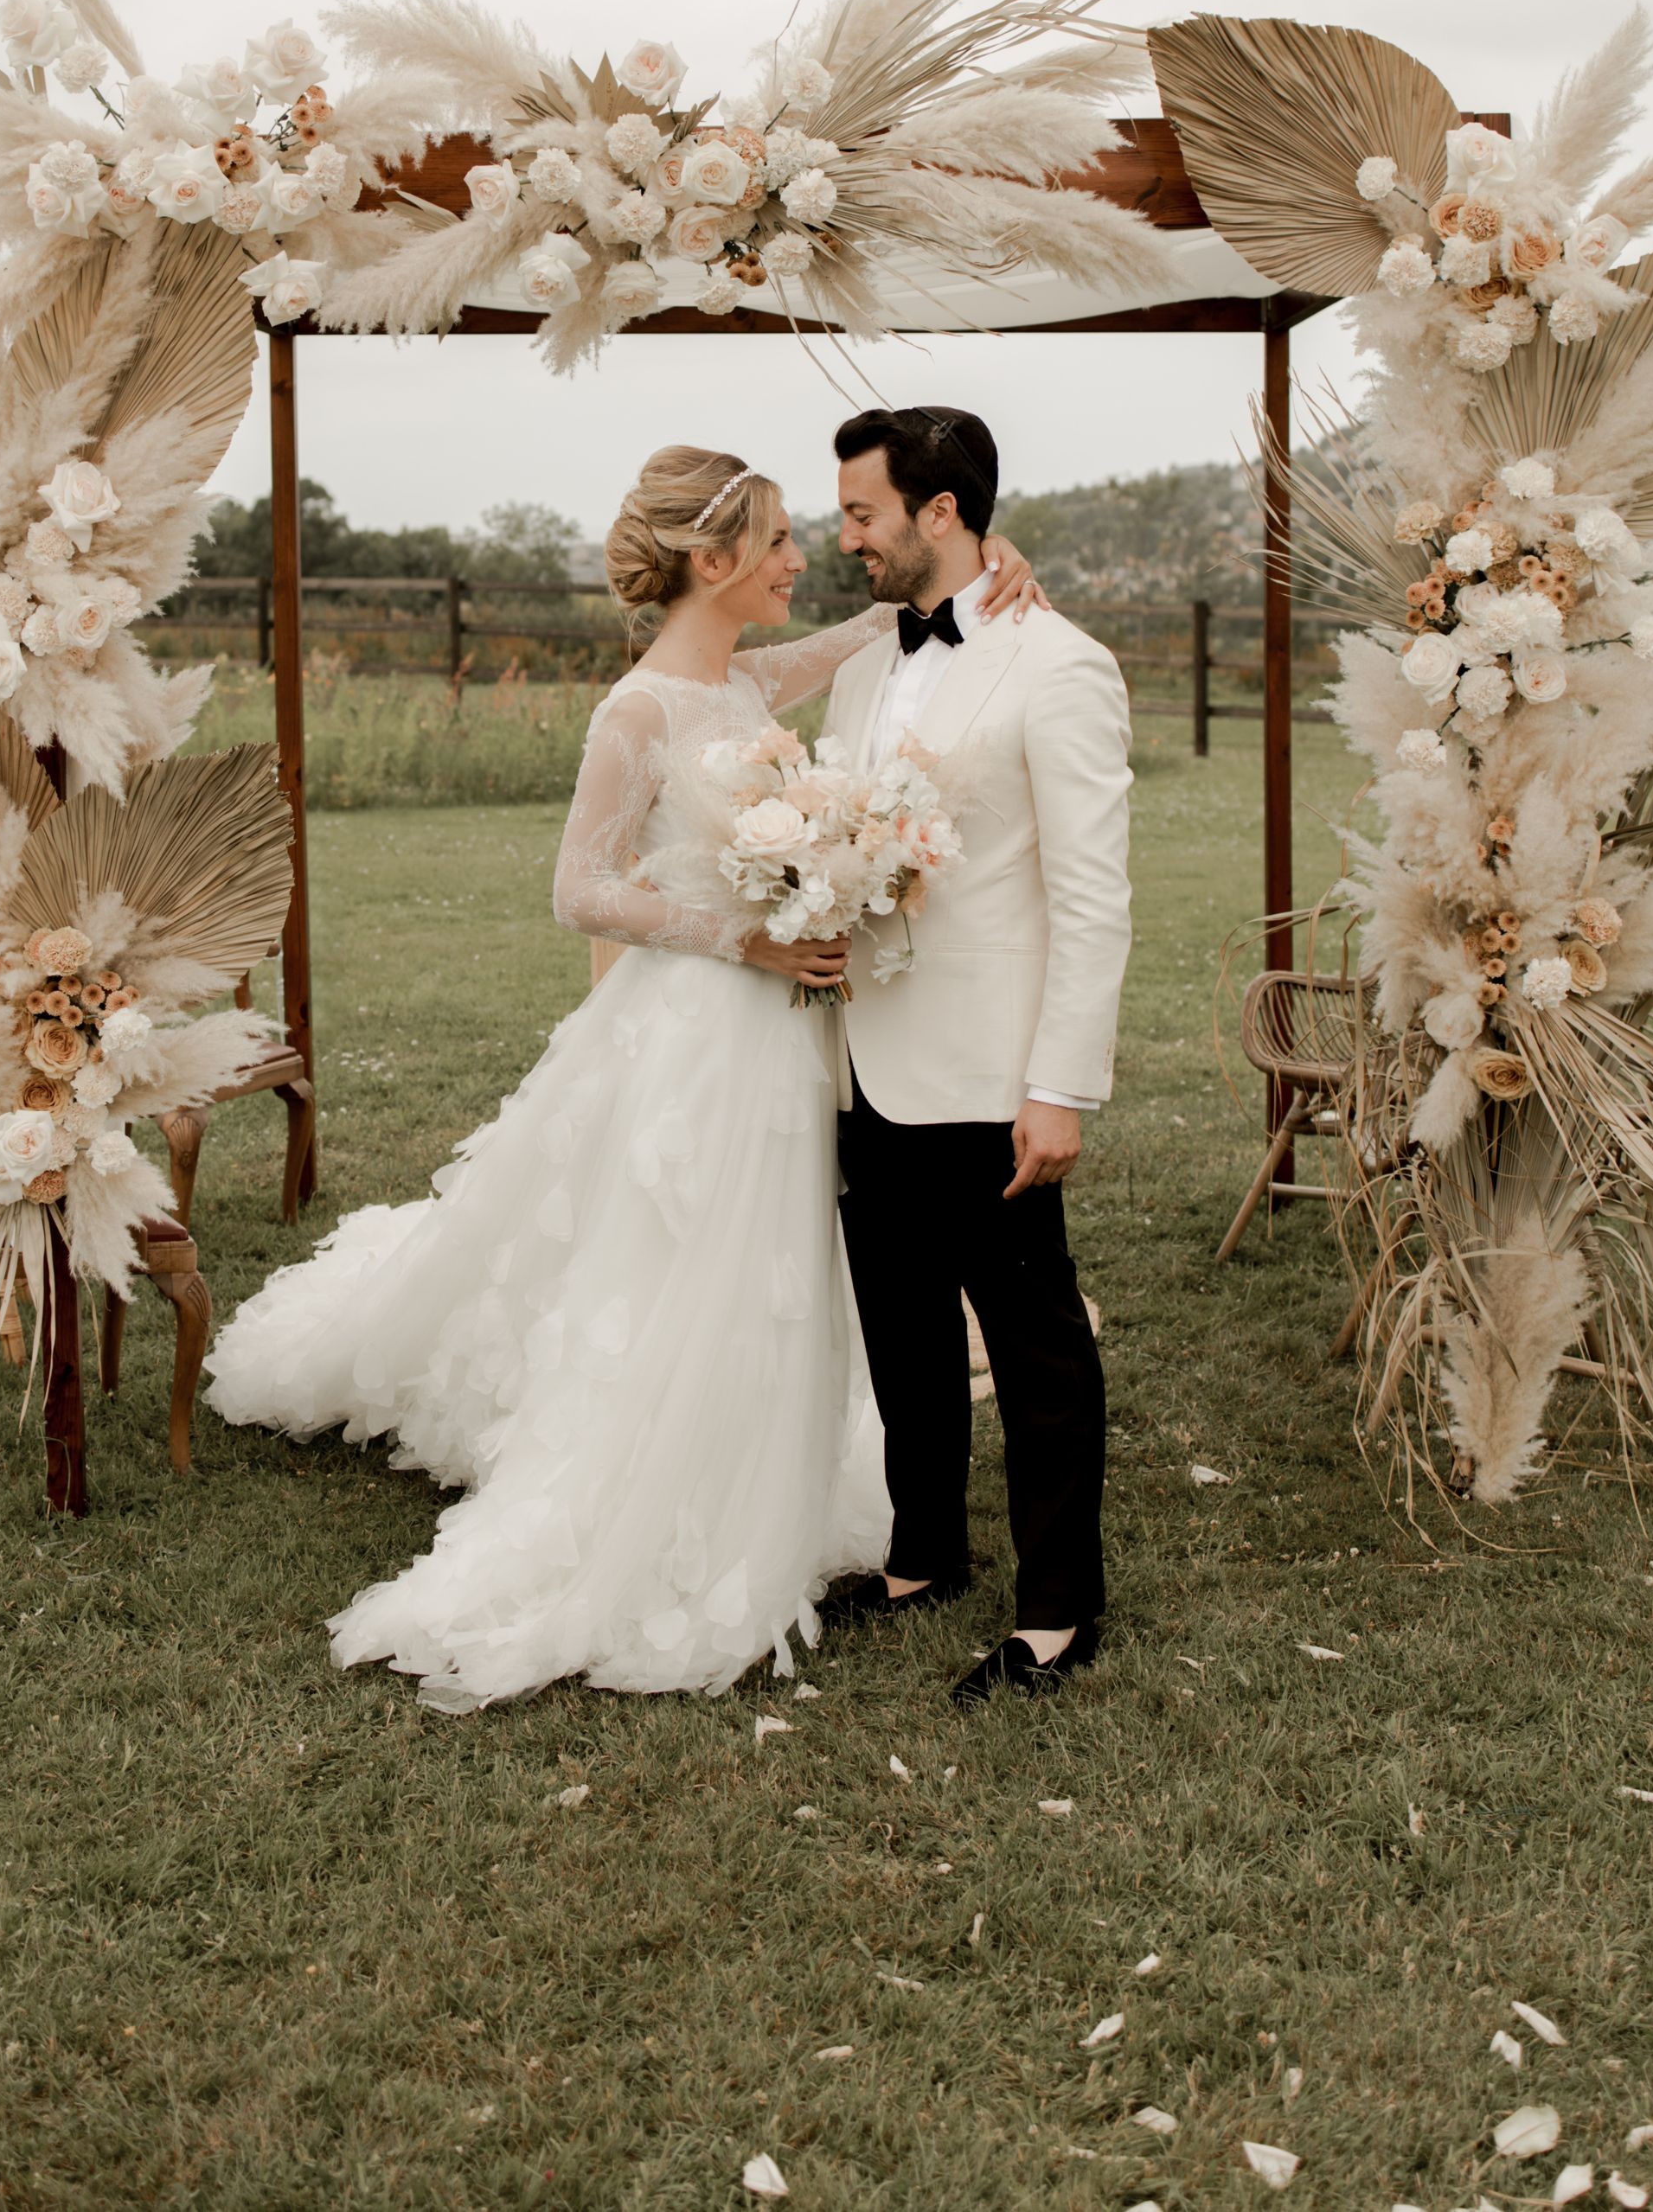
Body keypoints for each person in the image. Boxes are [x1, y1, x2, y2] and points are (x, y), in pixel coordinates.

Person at [202, 445, 1045, 1711]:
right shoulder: (636, 713)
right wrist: (750, 934)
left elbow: (886, 617)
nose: (800, 559)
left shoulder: (753, 677)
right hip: (699, 1024)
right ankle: (654, 1474)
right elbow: (578, 890)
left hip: (782, 1032)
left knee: (770, 1259)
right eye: (775, 543)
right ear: (714, 562)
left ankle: (760, 1455)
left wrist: (982, 573)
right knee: (680, 1255)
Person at [821, 406, 1132, 1708]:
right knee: (900, 1329)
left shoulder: (1059, 665)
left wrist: (1058, 1086)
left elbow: (1093, 894)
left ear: (938, 514)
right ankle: (923, 1556)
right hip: (860, 1059)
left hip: (990, 1074)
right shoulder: (859, 669)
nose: (845, 537)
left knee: (1035, 1341)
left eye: (860, 515)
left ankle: (1059, 1610)